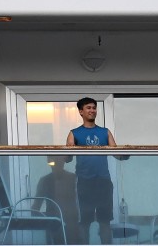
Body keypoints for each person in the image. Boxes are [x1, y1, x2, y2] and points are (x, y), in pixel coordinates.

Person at [67, 97, 117, 244]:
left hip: (103, 181)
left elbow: (117, 153)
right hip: (84, 181)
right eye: (88, 108)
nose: (92, 110)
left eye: (94, 107)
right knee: (84, 221)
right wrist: (62, 154)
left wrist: (129, 153)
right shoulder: (74, 133)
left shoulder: (105, 132)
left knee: (105, 221)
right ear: (81, 112)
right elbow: (68, 158)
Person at [34, 155, 79, 244]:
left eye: (60, 159)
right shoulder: (45, 181)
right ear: (49, 162)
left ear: (64, 161)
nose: (57, 163)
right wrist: (46, 219)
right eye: (54, 160)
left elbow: (84, 205)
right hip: (54, 229)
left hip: (72, 229)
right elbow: (35, 209)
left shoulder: (74, 179)